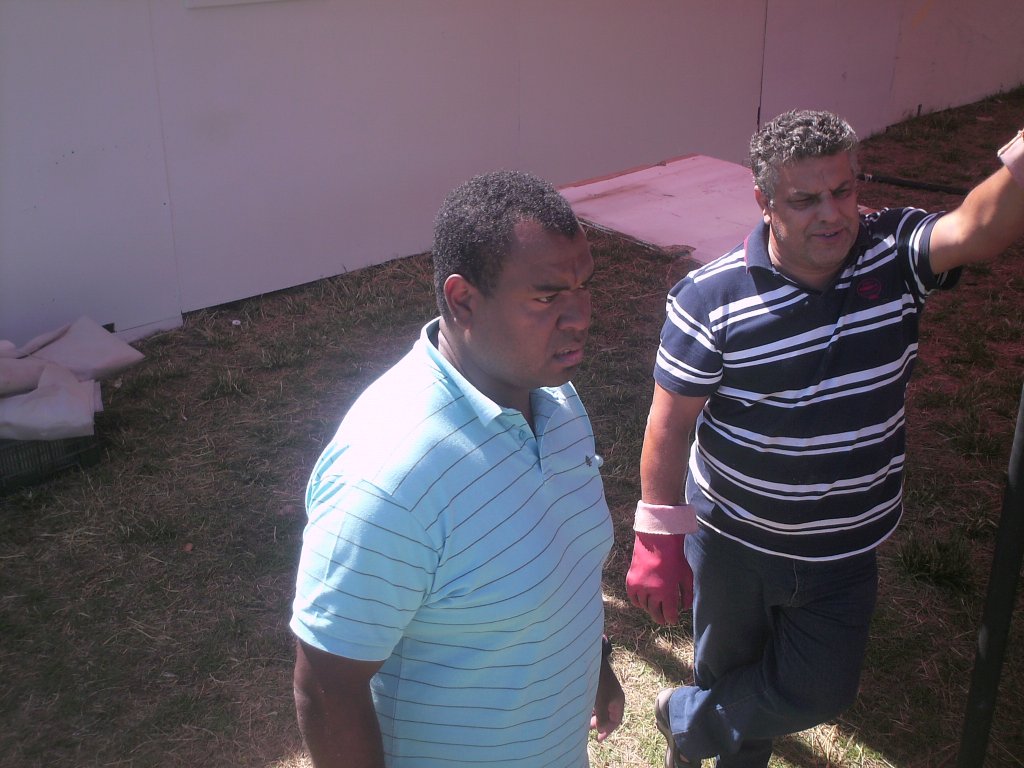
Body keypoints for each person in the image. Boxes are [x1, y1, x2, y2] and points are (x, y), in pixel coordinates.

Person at [625, 109, 1024, 767]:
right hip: (735, 541)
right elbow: (670, 426)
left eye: (843, 190)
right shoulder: (710, 298)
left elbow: (978, 227)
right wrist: (658, 536)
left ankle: (687, 718)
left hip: (844, 547)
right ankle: (710, 739)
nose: (832, 214)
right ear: (764, 201)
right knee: (732, 677)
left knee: (818, 690)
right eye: (805, 200)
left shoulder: (894, 253)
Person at [291, 169, 624, 768]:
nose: (579, 316)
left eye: (584, 288)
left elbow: (563, 562)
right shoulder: (391, 476)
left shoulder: (556, 401)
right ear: (463, 299)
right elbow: (326, 687)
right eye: (547, 297)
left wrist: (593, 663)